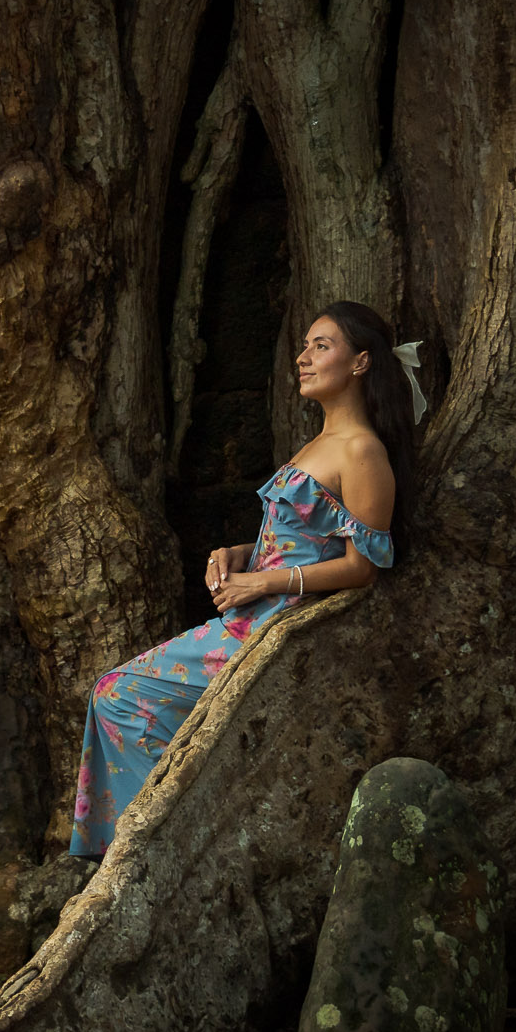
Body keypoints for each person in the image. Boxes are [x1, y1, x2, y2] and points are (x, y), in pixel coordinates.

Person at [69, 301, 428, 858]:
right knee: (117, 696)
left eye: (321, 347)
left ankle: (158, 847)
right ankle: (154, 842)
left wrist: (262, 585)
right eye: (305, 346)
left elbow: (362, 569)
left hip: (277, 627)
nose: (303, 358)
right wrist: (237, 554)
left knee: (121, 694)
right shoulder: (317, 445)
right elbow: (295, 535)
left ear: (360, 363)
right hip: (251, 612)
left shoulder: (362, 451)